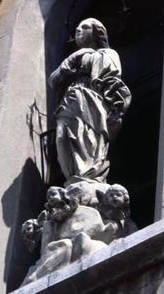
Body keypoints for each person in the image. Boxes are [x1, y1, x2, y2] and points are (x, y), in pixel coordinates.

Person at [49, 18, 131, 184]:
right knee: (60, 136)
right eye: (77, 28)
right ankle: (73, 177)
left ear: (96, 32)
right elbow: (53, 81)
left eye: (85, 27)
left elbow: (107, 78)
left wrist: (89, 57)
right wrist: (71, 60)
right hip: (71, 98)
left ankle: (88, 175)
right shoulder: (74, 56)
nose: (79, 30)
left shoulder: (108, 54)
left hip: (93, 99)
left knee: (88, 138)